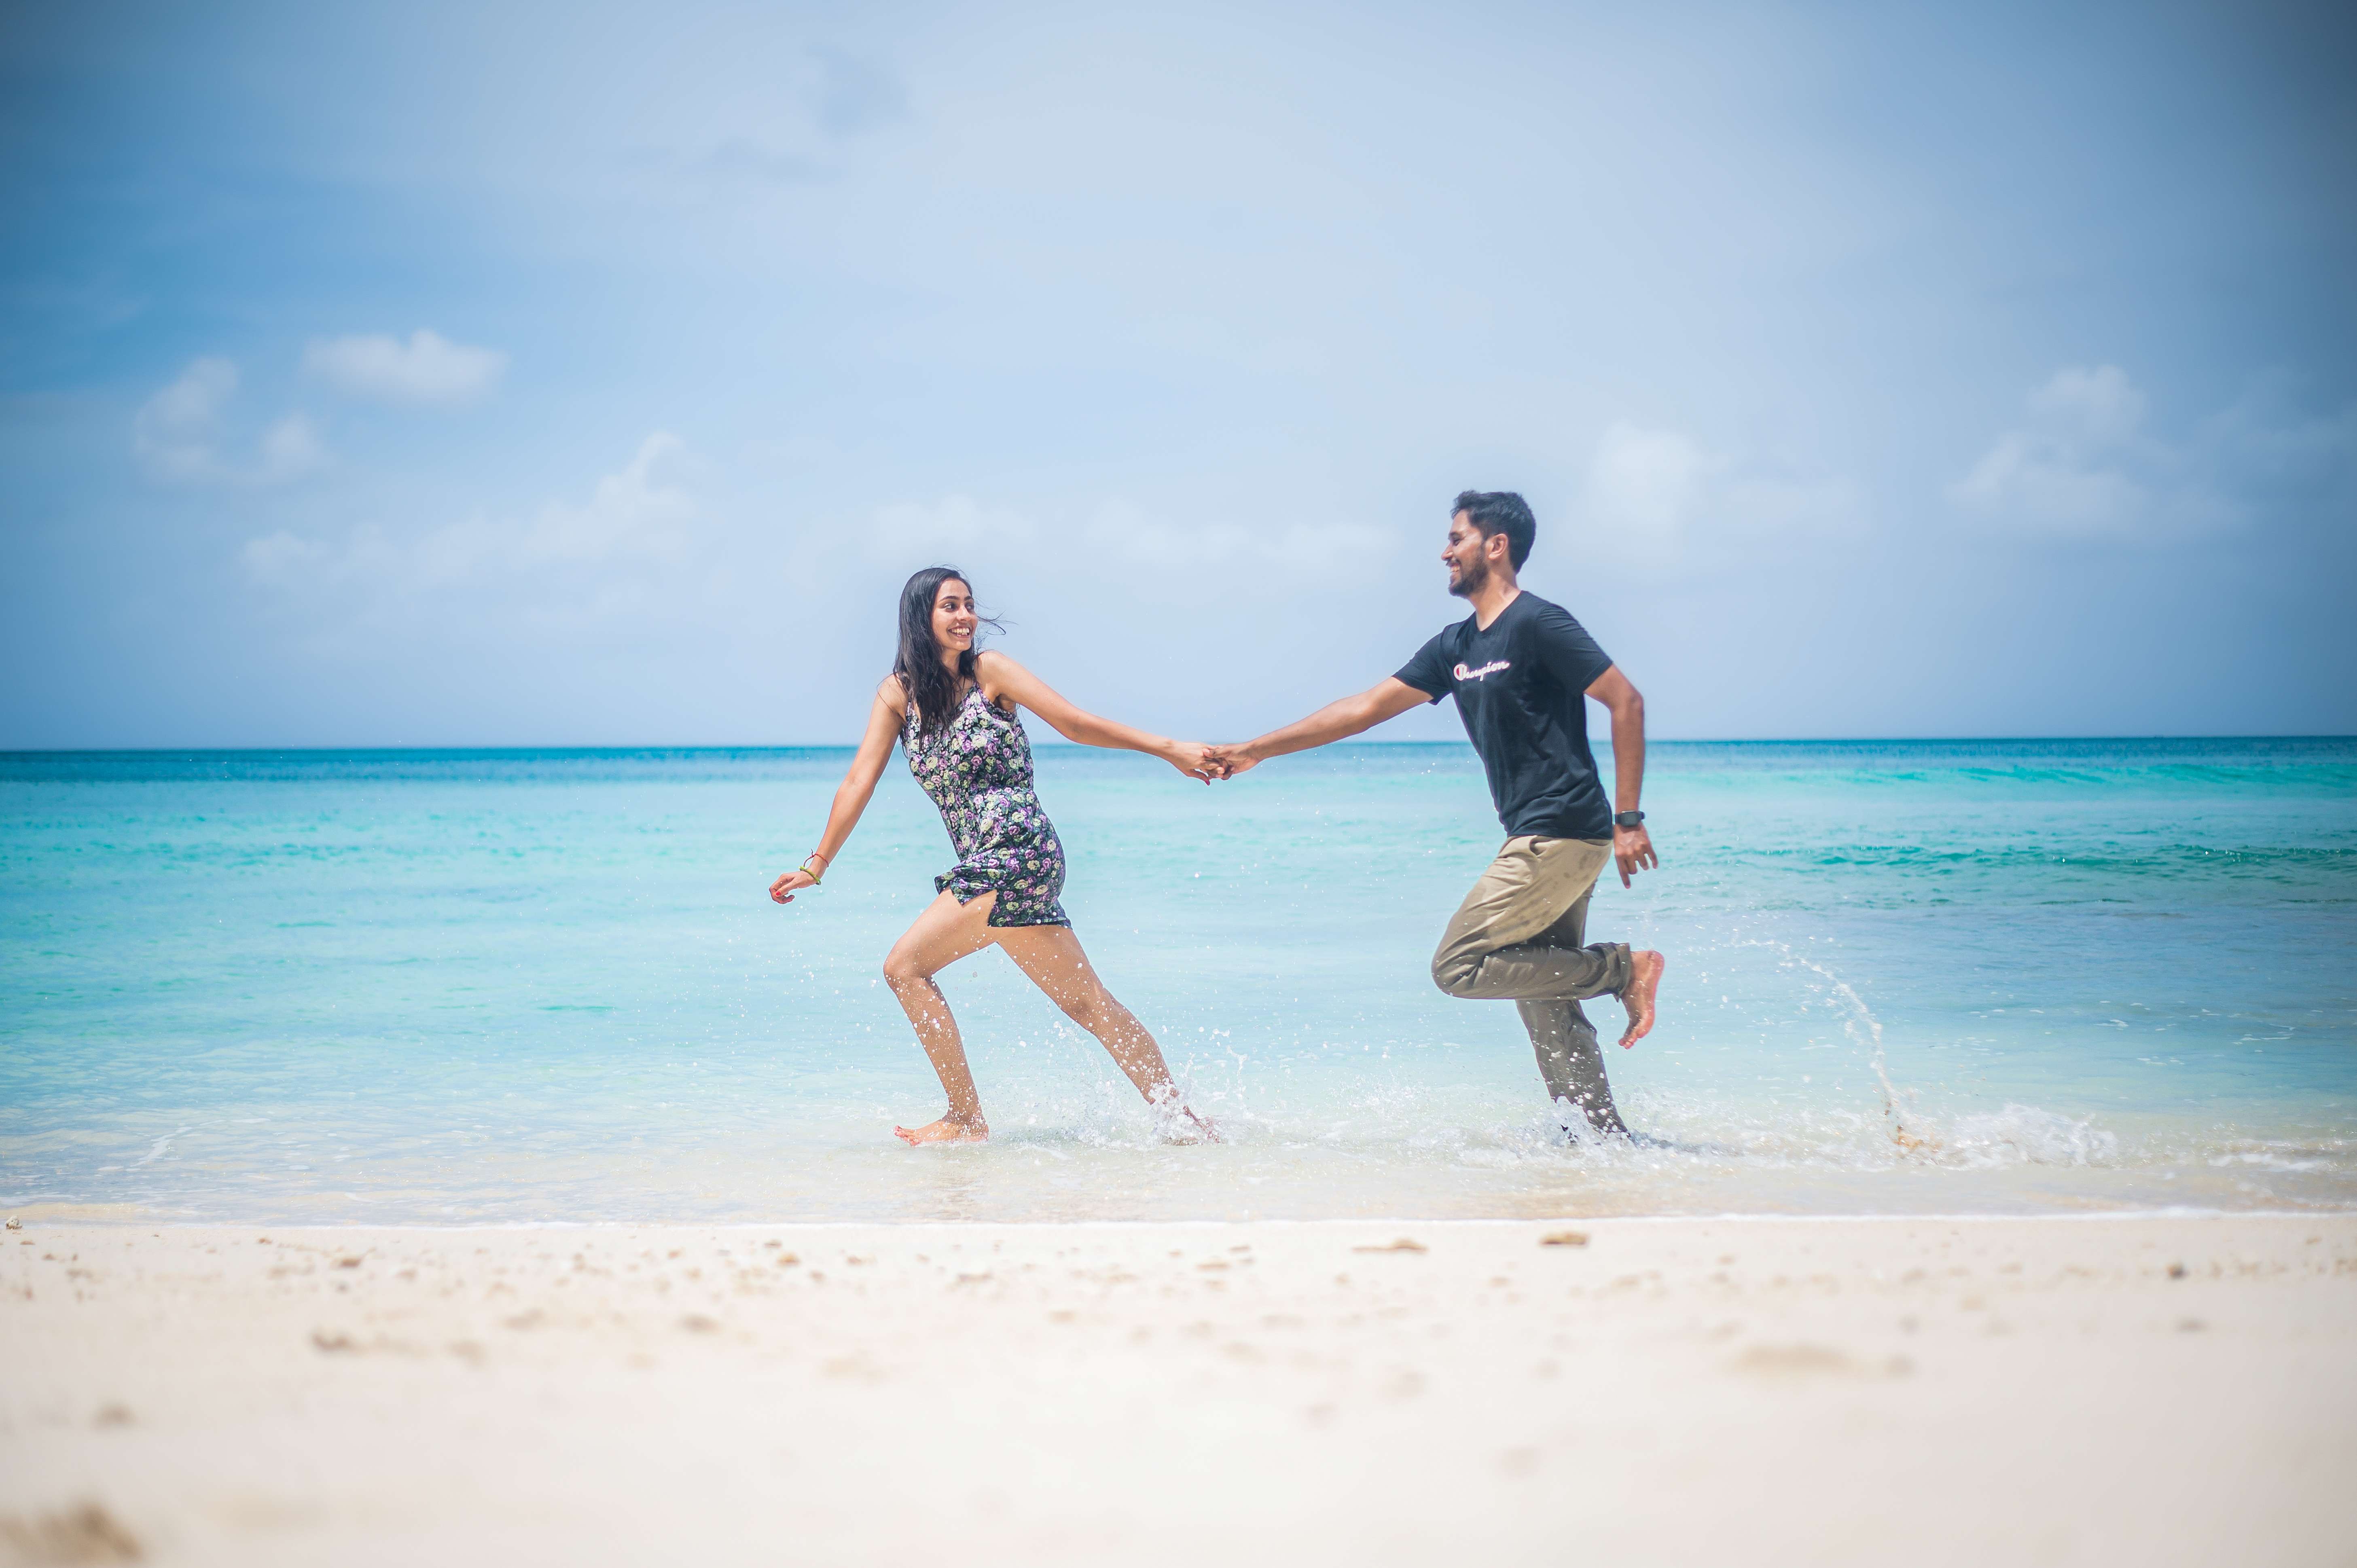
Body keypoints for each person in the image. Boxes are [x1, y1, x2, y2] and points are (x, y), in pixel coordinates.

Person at [1205, 491, 1664, 1136]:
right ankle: (1600, 1142)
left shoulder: (1539, 624)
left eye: (1458, 538)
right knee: (1545, 997)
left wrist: (1628, 818)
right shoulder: (1456, 645)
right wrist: (1257, 749)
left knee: (1460, 965)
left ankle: (1625, 968)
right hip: (1541, 834)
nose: (1445, 551)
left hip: (1560, 831)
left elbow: (1626, 701)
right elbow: (1363, 709)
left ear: (1495, 545)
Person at [770, 566, 1219, 1145]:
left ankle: (965, 1117)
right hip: (993, 861)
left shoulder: (991, 673)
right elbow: (860, 780)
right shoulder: (898, 696)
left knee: (904, 968)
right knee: (1088, 1003)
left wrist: (1168, 749)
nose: (965, 617)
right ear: (920, 619)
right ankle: (1181, 1123)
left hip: (1017, 849)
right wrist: (818, 863)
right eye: (949, 606)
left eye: (969, 605)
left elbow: (1076, 723)